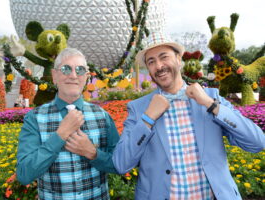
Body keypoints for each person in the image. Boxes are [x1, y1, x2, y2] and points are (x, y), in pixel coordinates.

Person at [112, 32, 265, 200]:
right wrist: (148, 118)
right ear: (148, 69)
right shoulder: (138, 108)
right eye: (151, 61)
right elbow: (121, 164)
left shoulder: (211, 97)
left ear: (179, 59)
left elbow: (257, 142)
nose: (159, 66)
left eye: (164, 57)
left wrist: (211, 104)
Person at [16, 48, 120, 200]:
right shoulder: (34, 118)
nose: (73, 75)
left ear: (86, 76)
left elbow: (119, 164)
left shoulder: (103, 117)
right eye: (65, 69)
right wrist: (60, 135)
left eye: (80, 70)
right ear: (54, 76)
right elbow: (24, 174)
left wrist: (93, 153)